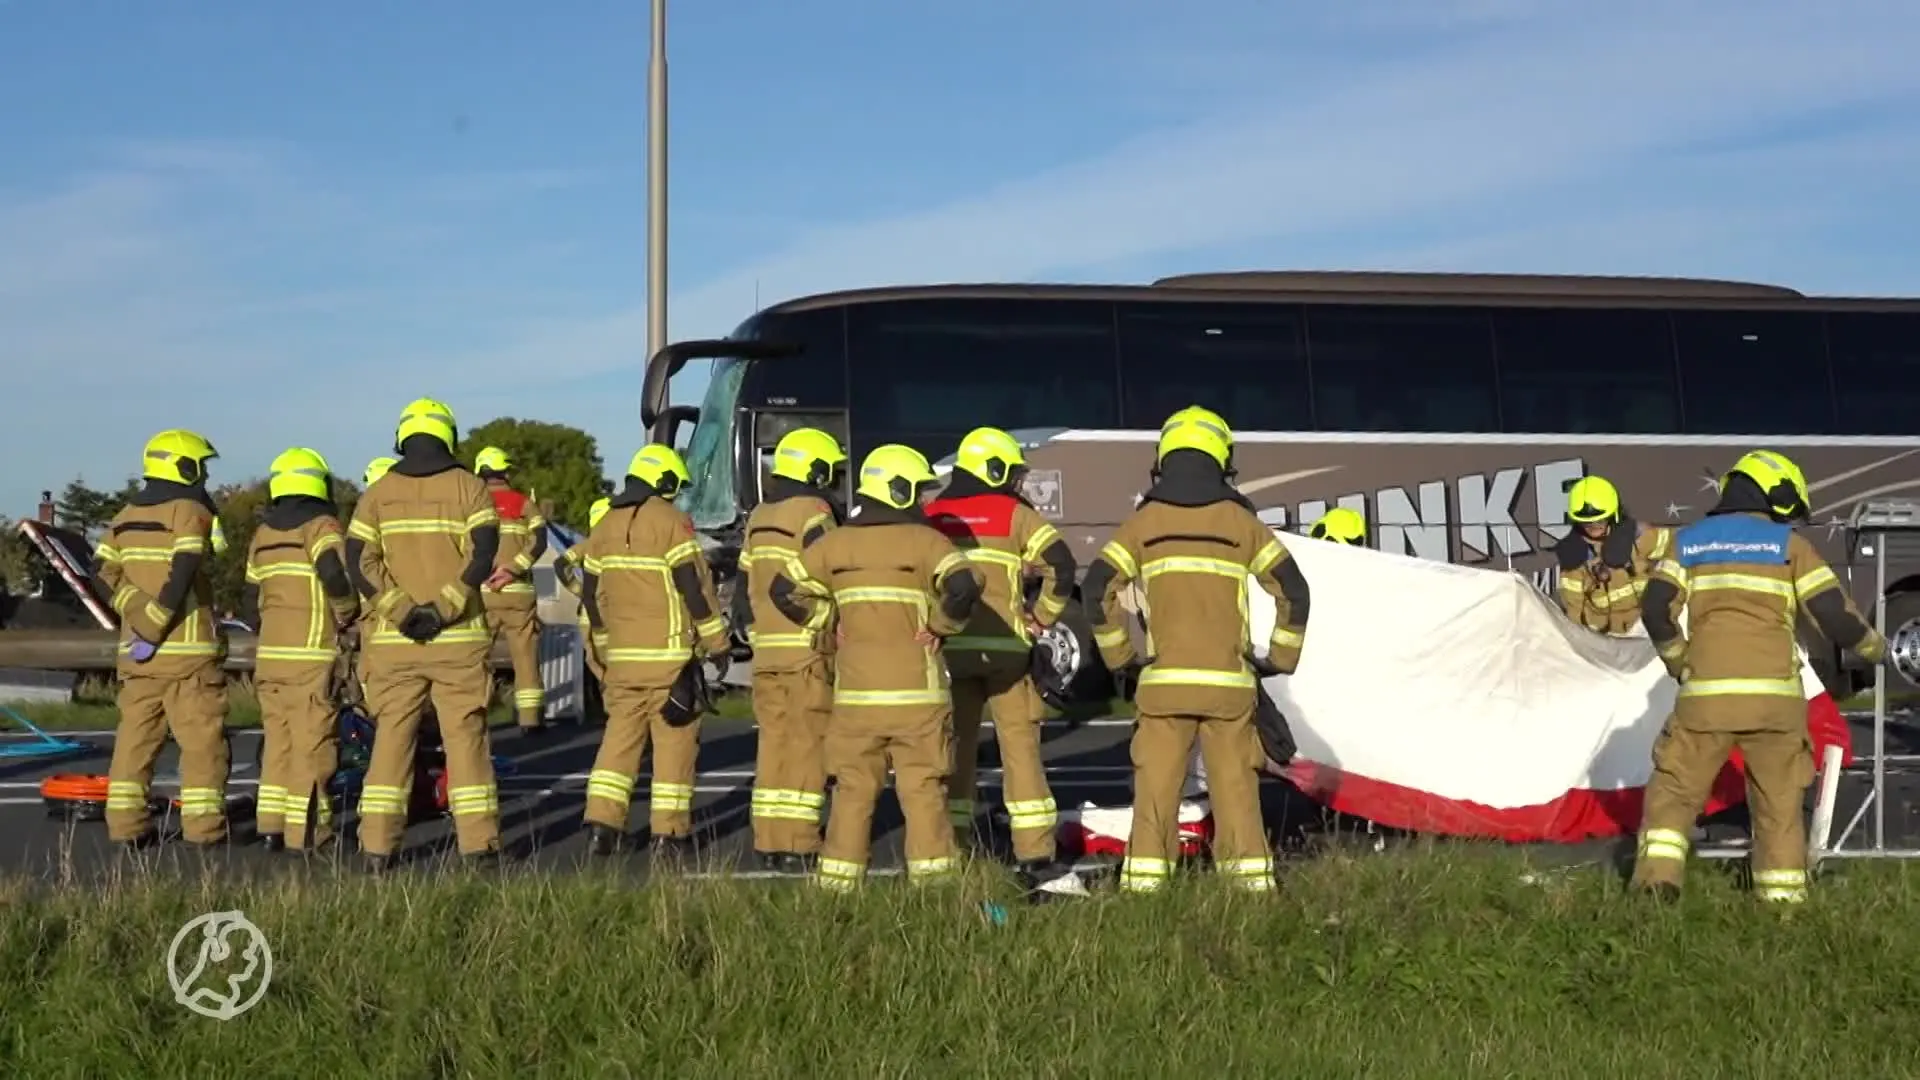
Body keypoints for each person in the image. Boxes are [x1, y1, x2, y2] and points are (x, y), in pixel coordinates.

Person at [1633, 450, 1886, 904]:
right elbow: (1835, 616)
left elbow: (1655, 608)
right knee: (1779, 807)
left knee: (1674, 794)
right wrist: (1879, 650)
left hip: (1705, 700)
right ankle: (1782, 904)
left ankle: (1657, 886)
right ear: (1778, 494)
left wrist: (1679, 662)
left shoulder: (1687, 542)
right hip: (1775, 705)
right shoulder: (1789, 545)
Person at [1082, 405, 1312, 894]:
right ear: (1220, 457)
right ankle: (1250, 890)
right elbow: (1294, 591)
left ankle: (1145, 890)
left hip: (1164, 688)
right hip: (1229, 688)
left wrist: (1122, 658)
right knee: (1236, 791)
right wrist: (1279, 658)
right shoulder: (1242, 523)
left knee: (1155, 793)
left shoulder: (1144, 524)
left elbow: (1097, 587)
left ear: (1164, 457)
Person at [768, 444, 985, 891]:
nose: (923, 501)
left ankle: (837, 890)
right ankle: (936, 892)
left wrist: (827, 623)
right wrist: (940, 626)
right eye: (918, 491)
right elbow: (964, 586)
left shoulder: (834, 544)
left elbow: (782, 590)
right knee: (923, 792)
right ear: (899, 490)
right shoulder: (927, 542)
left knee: (851, 792)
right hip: (917, 699)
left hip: (856, 702)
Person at [345, 398, 504, 870]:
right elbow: (483, 552)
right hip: (458, 641)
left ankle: (377, 847)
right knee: (465, 739)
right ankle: (479, 847)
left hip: (395, 645)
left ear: (402, 438)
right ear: (448, 436)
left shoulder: (377, 494)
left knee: (392, 740)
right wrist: (445, 607)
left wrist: (400, 611)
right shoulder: (471, 488)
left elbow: (358, 560)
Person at [923, 426, 1082, 894]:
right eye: (1012, 473)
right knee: (1021, 751)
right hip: (1008, 656)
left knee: (956, 751)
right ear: (993, 470)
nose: (1016, 482)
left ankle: (953, 846)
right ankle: (1034, 853)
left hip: (951, 652)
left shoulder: (932, 515)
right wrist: (1041, 618)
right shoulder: (1016, 514)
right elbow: (1062, 566)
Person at [577, 446, 729, 860]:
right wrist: (717, 643)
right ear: (664, 481)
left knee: (618, 745)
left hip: (622, 663)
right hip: (669, 661)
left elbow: (591, 595)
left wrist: (604, 652)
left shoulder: (605, 525)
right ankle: (670, 836)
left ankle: (602, 827)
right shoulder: (671, 521)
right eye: (675, 486)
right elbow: (693, 586)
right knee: (675, 746)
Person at [92, 429, 230, 849]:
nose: (205, 475)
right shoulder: (189, 511)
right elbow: (187, 567)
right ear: (184, 467)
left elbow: (101, 576)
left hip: (138, 657)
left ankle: (126, 826)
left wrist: (136, 611)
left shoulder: (123, 516)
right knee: (202, 745)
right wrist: (155, 621)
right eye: (200, 466)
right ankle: (204, 831)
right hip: (188, 656)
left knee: (134, 744)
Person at [237, 448, 358, 852]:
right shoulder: (322, 526)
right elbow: (333, 574)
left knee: (278, 744)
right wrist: (347, 611)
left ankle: (271, 826)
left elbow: (248, 600)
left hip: (271, 659)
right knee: (313, 746)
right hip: (311, 656)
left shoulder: (263, 535)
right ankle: (308, 833)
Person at [740, 427, 847, 874]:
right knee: (807, 745)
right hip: (807, 647)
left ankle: (768, 839)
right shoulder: (814, 512)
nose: (834, 480)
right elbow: (832, 571)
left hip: (767, 652)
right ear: (815, 470)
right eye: (831, 470)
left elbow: (744, 586)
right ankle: (800, 843)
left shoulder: (759, 515)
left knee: (774, 744)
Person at [473, 446, 551, 734]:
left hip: (483, 591)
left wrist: (483, 575)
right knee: (526, 657)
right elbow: (540, 541)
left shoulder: (472, 504)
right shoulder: (522, 503)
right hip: (518, 591)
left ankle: (475, 715)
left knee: (477, 658)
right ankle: (531, 720)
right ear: (505, 471)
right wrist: (513, 569)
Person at [1554, 475, 1673, 636]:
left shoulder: (1638, 537)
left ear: (1613, 515)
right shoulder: (1574, 560)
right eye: (1586, 522)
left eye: (1600, 520)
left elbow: (1680, 548)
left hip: (1647, 630)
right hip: (1606, 639)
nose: (1593, 526)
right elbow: (1573, 614)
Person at [554, 496, 611, 722]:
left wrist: (578, 589)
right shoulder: (624, 545)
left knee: (598, 664)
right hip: (615, 614)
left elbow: (561, 564)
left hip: (589, 613)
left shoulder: (587, 545)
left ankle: (612, 712)